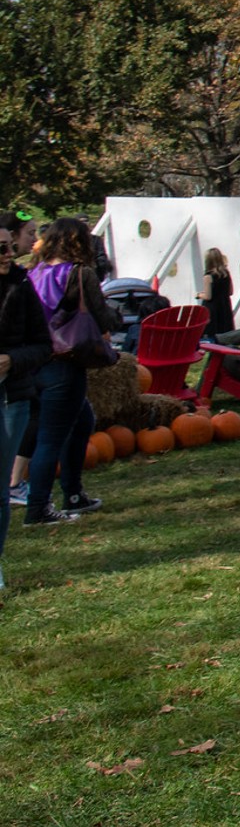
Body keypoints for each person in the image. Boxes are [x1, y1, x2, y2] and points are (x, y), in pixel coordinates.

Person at [21, 218, 111, 524]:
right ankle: (38, 507)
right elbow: (102, 317)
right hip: (66, 358)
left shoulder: (35, 272)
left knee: (82, 420)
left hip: (36, 360)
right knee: (51, 437)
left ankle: (73, 493)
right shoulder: (79, 273)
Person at [0, 214, 51, 571]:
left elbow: (42, 344)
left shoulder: (21, 284)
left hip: (9, 399)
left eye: (8, 247)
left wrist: (11, 360)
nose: (7, 254)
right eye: (1, 249)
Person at [201, 247, 236, 336]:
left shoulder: (208, 276)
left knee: (211, 334)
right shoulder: (226, 273)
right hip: (225, 306)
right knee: (225, 333)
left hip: (212, 309)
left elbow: (208, 296)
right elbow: (231, 291)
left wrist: (199, 295)